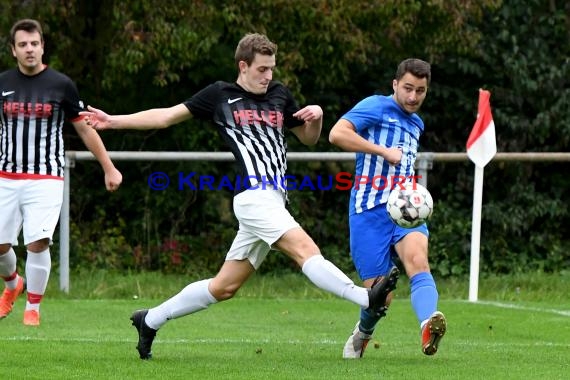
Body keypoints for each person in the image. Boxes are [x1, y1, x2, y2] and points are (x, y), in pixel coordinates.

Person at [81, 33, 398, 360]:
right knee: (305, 248)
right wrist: (112, 121)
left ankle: (149, 320)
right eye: (262, 69)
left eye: (272, 68)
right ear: (243, 66)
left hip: (275, 199)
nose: (269, 76)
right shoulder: (220, 95)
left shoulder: (278, 95)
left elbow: (308, 139)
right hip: (252, 197)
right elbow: (165, 116)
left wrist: (315, 116)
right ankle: (366, 298)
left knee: (224, 287)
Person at [0, 19, 123, 326]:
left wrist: (109, 167)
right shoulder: (2, 83)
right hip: (6, 176)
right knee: (1, 246)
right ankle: (14, 284)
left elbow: (84, 129)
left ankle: (34, 309)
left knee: (37, 242)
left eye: (35, 44)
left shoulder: (61, 84)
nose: (30, 50)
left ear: (43, 46)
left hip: (46, 177)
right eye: (23, 45)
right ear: (13, 50)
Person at [329, 58, 446, 358]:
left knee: (419, 261)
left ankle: (427, 324)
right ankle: (362, 334)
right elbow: (337, 134)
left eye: (420, 90)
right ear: (395, 85)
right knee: (382, 295)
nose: (413, 97)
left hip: (405, 210)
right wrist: (382, 151)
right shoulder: (376, 106)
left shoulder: (416, 123)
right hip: (368, 211)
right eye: (407, 88)